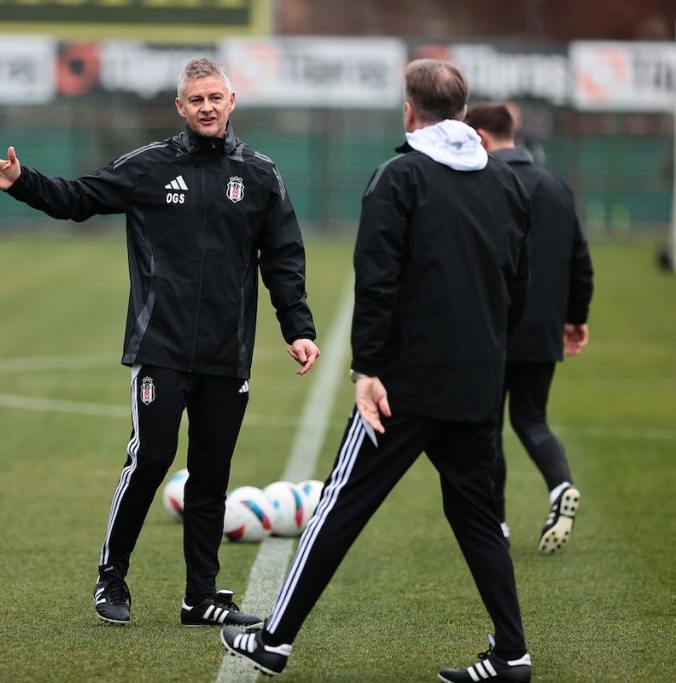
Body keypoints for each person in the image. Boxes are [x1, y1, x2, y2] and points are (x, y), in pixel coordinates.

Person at [0, 57, 320, 628]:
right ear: (180, 108)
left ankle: (200, 597)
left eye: (216, 97)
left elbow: (282, 258)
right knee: (151, 459)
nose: (207, 106)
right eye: (196, 99)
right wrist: (23, 183)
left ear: (231, 102)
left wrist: (299, 328)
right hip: (160, 346)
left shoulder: (260, 174)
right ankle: (112, 578)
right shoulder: (148, 167)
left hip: (226, 353)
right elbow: (77, 198)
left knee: (212, 472)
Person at [221, 59, 534, 682]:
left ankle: (275, 641)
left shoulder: (400, 175)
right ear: (465, 113)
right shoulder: (506, 182)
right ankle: (513, 654)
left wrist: (367, 368)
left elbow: (378, 279)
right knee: (477, 515)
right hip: (477, 380)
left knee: (340, 503)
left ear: (408, 110)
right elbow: (515, 285)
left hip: (404, 384)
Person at [466, 103, 594, 554]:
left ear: (480, 136)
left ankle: (496, 523)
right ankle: (560, 486)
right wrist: (576, 318)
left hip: (492, 327)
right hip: (543, 328)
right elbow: (580, 259)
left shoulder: (482, 181)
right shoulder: (557, 186)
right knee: (531, 418)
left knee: (487, 426)